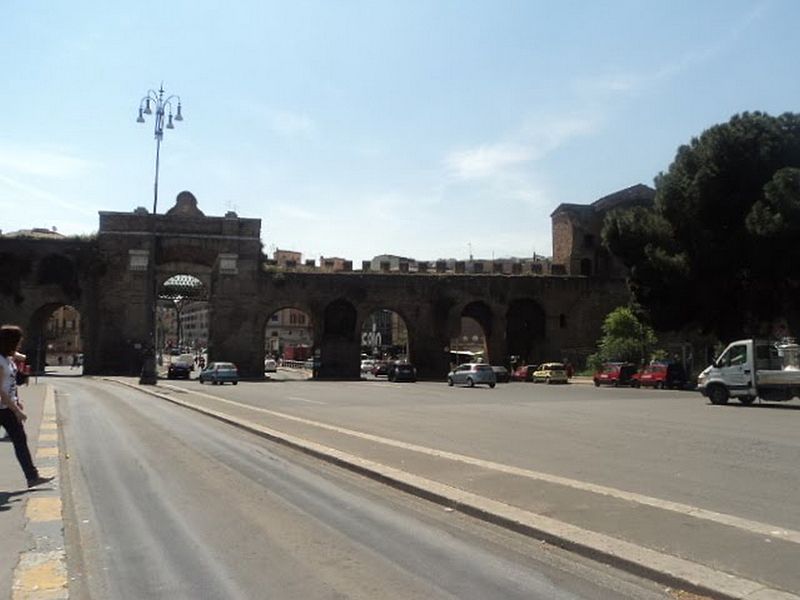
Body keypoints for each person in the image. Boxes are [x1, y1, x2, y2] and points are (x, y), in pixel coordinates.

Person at [0, 325, 53, 488]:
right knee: (19, 440)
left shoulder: (7, 357)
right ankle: (32, 477)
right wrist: (16, 410)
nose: (20, 344)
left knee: (20, 440)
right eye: (18, 341)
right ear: (10, 342)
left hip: (6, 406)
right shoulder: (1, 362)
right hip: (3, 407)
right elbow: (0, 391)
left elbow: (20, 359)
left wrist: (16, 400)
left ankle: (32, 477)